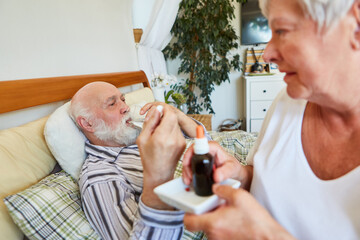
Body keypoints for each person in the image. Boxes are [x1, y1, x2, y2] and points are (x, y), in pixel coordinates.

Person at [137, 0, 360, 239]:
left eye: (282, 30)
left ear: (355, 23)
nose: (267, 54)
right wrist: (240, 175)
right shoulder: (288, 100)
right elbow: (263, 175)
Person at [69, 81, 207, 239]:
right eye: (112, 103)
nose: (126, 107)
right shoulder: (100, 176)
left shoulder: (142, 135)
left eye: (123, 100)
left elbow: (205, 144)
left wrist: (178, 115)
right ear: (87, 123)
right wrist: (158, 175)